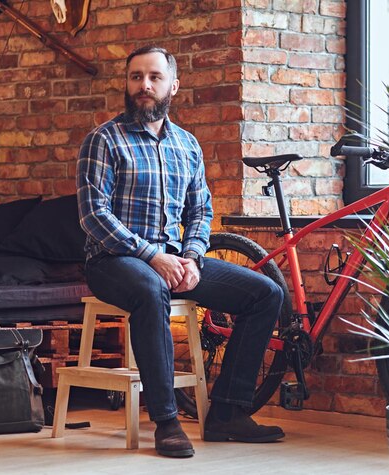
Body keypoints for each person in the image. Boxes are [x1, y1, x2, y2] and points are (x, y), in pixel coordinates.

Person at [76, 45, 285, 458]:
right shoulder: (103, 140)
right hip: (112, 260)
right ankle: (166, 421)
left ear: (173, 84)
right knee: (151, 290)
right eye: (136, 77)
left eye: (153, 77)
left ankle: (228, 411)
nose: (144, 86)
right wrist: (153, 256)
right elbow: (93, 215)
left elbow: (201, 209)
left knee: (267, 294)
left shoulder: (187, 145)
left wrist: (191, 256)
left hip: (176, 259)